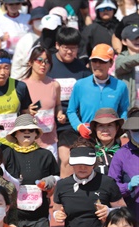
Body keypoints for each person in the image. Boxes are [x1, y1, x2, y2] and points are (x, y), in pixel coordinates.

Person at [47, 27, 91, 177]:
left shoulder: (82, 69)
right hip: (47, 123)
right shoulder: (47, 65)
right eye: (66, 48)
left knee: (68, 160)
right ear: (58, 45)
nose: (70, 52)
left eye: (74, 48)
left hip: (72, 125)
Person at [67, 44, 129, 142]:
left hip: (111, 137)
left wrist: (120, 129)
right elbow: (71, 111)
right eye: (94, 61)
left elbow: (124, 110)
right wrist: (79, 126)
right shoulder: (80, 85)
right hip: (87, 136)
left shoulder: (120, 86)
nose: (97, 65)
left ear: (111, 63)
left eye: (102, 61)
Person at [22, 46, 65, 158]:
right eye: (39, 60)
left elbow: (58, 105)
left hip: (50, 140)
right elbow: (17, 112)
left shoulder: (54, 85)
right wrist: (27, 111)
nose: (43, 64)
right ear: (31, 62)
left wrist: (60, 114)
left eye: (47, 62)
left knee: (51, 175)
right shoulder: (22, 86)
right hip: (28, 140)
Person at [108, 107, 139, 218]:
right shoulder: (121, 154)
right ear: (129, 131)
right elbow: (111, 187)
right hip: (133, 215)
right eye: (135, 130)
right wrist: (128, 186)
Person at [89, 108, 123, 175]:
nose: (105, 129)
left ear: (117, 128)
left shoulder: (125, 153)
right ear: (95, 129)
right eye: (101, 125)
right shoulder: (88, 152)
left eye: (110, 125)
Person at [115, 25, 139, 110]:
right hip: (129, 109)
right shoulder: (121, 58)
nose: (137, 41)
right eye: (134, 38)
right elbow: (123, 64)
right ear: (124, 41)